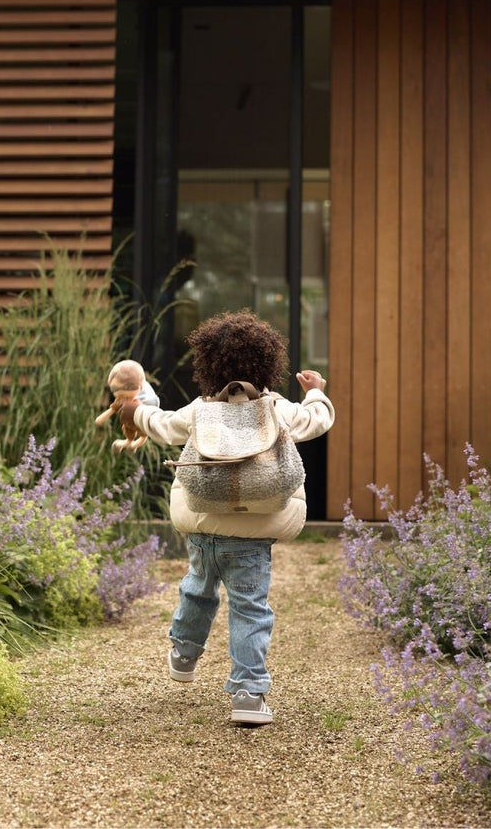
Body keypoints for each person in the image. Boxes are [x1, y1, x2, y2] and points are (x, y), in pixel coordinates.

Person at [120, 310, 334, 726]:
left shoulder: (200, 409)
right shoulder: (276, 408)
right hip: (254, 534)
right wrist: (316, 392)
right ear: (268, 365)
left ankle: (183, 653)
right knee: (250, 608)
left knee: (197, 590)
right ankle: (248, 694)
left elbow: (162, 425)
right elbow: (317, 421)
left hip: (206, 525)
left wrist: (135, 409)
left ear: (208, 365)